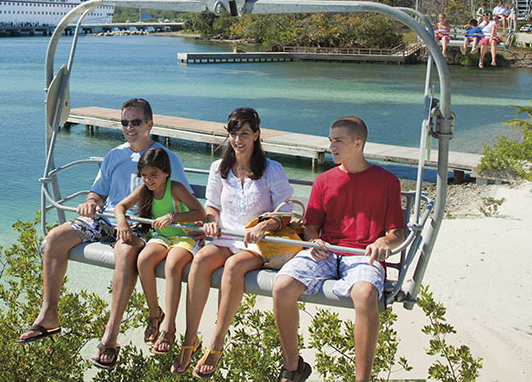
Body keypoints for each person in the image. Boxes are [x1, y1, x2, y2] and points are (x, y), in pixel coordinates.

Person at [16, 98, 191, 371]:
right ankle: (48, 315)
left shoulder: (165, 158)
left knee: (124, 251)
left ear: (149, 124)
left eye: (135, 122)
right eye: (124, 122)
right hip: (106, 219)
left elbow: (180, 196)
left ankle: (110, 338)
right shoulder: (114, 156)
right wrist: (91, 202)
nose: (129, 128)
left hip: (138, 224)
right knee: (55, 238)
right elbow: (98, 192)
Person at [272, 117, 405, 382]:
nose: (331, 146)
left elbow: (397, 234)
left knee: (366, 294)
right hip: (327, 250)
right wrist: (314, 240)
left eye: (338, 141)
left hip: (362, 254)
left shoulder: (387, 182)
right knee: (281, 286)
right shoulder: (324, 181)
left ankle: (361, 378)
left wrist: (382, 242)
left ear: (358, 143)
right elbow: (311, 226)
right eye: (330, 140)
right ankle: (293, 367)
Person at [173, 107, 294, 377]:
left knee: (233, 267)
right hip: (225, 236)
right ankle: (190, 339)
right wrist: (211, 219)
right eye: (234, 134)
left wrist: (266, 224)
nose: (238, 140)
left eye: (244, 134)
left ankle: (216, 343)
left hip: (256, 242)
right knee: (200, 260)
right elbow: (212, 206)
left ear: (256, 135)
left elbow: (287, 211)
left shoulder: (272, 169)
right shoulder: (219, 168)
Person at [113, 147, 205, 355]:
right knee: (143, 259)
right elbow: (121, 206)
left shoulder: (176, 188)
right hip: (162, 237)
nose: (148, 180)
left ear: (166, 172)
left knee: (173, 264)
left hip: (184, 236)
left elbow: (200, 212)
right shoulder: (144, 190)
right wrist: (122, 222)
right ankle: (155, 312)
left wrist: (172, 217)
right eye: (144, 175)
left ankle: (168, 327)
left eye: (153, 175)